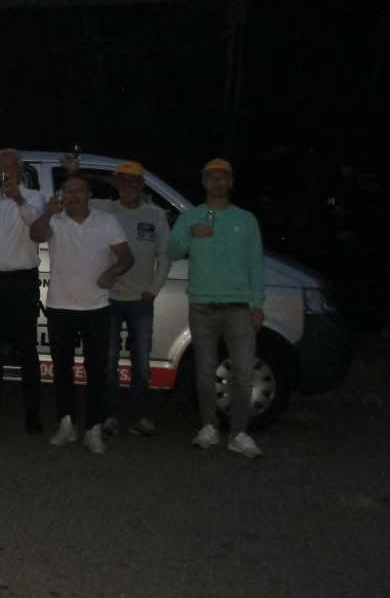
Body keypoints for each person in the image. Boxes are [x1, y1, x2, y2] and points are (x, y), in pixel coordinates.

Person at [167, 158, 265, 458]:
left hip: (238, 307)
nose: (217, 182)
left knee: (244, 371)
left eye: (223, 177)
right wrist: (189, 233)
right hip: (202, 306)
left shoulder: (245, 219)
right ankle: (208, 426)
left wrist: (257, 305)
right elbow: (172, 251)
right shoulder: (191, 216)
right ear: (204, 182)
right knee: (204, 370)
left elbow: (255, 264)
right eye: (212, 178)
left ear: (231, 182)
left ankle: (239, 433)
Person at [30, 173, 133, 454]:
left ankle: (93, 428)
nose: (74, 195)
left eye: (79, 191)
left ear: (89, 196)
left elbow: (126, 257)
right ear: (63, 195)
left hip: (95, 307)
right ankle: (66, 423)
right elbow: (35, 235)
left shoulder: (106, 221)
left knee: (96, 370)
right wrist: (46, 214)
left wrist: (114, 271)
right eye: (69, 191)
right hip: (60, 306)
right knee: (62, 369)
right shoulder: (55, 220)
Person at [92, 161, 171, 437]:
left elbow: (165, 256)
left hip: (141, 300)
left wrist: (154, 289)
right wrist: (73, 170)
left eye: (133, 180)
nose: (128, 185)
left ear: (141, 185)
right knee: (109, 362)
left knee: (141, 363)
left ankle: (139, 415)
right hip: (110, 298)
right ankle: (109, 415)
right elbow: (74, 197)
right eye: (123, 180)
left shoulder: (156, 215)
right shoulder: (105, 209)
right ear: (117, 184)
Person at [0, 148, 47, 434]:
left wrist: (19, 199)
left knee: (26, 348)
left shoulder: (35, 197)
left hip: (22, 281)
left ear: (21, 169)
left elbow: (37, 226)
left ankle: (32, 414)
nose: (6, 171)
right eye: (2, 166)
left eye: (11, 166)